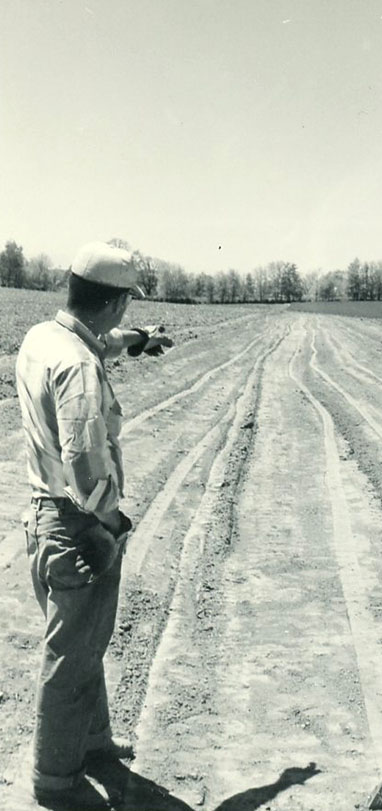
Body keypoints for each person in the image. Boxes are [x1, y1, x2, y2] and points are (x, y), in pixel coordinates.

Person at [16, 241, 174, 808]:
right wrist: (112, 525)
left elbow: (100, 341)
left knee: (82, 645)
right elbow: (87, 470)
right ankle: (56, 783)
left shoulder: (45, 337)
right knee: (71, 659)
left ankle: (94, 743)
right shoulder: (79, 368)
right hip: (76, 525)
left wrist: (139, 341)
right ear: (113, 303)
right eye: (127, 307)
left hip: (42, 517)